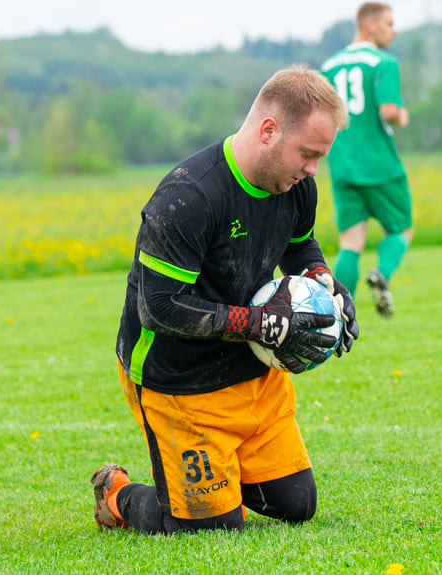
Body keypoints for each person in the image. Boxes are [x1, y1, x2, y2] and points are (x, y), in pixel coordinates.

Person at [91, 65, 360, 535]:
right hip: (177, 381)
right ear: (269, 130)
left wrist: (324, 285)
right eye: (308, 154)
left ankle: (217, 481)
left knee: (296, 505)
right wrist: (256, 323)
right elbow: (159, 307)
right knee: (210, 528)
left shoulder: (297, 187)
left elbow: (299, 246)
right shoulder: (188, 196)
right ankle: (117, 495)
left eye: (320, 158)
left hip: (250, 374)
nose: (313, 169)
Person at [321, 2, 413, 318]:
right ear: (370, 25)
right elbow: (388, 110)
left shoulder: (329, 67)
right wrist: (402, 114)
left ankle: (340, 312)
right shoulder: (384, 62)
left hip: (342, 165)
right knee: (401, 230)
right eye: (389, 23)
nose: (394, 30)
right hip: (379, 164)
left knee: (350, 243)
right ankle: (382, 273)